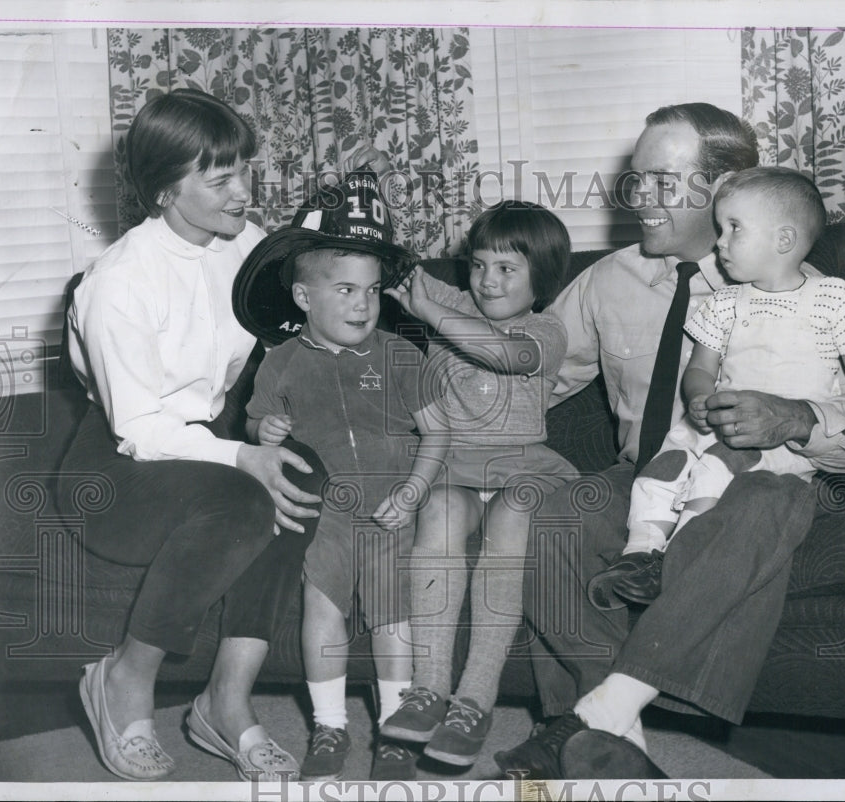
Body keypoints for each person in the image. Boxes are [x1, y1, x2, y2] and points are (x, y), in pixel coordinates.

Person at [493, 103, 845, 780]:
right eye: (636, 179)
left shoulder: (794, 284)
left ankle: (589, 725)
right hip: (655, 472)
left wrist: (799, 417)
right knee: (558, 513)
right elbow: (525, 379)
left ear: (723, 188)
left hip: (770, 473)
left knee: (761, 500)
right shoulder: (607, 281)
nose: (639, 200)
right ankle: (614, 743)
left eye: (660, 181)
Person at [64, 88, 383, 782]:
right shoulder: (118, 281)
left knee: (299, 472)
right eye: (221, 179)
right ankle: (122, 679)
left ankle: (224, 700)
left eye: (246, 170)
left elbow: (284, 341)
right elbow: (141, 426)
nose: (244, 192)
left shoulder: (244, 244)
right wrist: (243, 453)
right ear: (164, 190)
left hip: (208, 436)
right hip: (115, 466)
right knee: (242, 495)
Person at [233, 168, 449, 782]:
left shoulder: (402, 354)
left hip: (390, 508)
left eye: (374, 291)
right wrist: (264, 433)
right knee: (321, 609)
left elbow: (437, 432)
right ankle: (329, 727)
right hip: (324, 513)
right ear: (304, 298)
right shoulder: (279, 362)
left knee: (390, 616)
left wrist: (414, 490)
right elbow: (258, 429)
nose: (364, 304)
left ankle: (395, 731)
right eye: (347, 291)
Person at [378, 201, 579, 767]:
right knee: (439, 511)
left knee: (514, 514)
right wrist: (372, 189)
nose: (487, 281)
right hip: (455, 465)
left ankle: (476, 698)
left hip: (521, 466)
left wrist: (433, 316)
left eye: (506, 269)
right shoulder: (456, 300)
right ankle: (430, 686)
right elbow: (397, 269)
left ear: (542, 277)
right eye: (478, 265)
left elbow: (506, 355)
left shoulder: (545, 329)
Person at [618, 166, 845, 574]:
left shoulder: (831, 297)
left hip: (777, 442)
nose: (720, 243)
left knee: (714, 469)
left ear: (784, 239)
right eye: (720, 229)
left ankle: (676, 559)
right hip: (717, 421)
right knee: (662, 469)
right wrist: (698, 397)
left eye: (734, 229)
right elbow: (699, 368)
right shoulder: (725, 303)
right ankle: (639, 553)